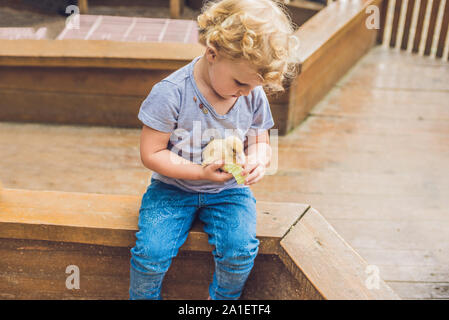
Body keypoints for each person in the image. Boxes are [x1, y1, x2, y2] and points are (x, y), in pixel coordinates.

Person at [129, 0, 299, 300]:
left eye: (254, 86)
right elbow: (152, 153)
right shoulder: (171, 93)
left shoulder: (252, 93)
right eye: (240, 82)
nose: (246, 93)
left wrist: (259, 159)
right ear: (212, 53)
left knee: (240, 252)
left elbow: (260, 140)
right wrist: (198, 172)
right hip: (173, 187)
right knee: (150, 252)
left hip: (229, 191)